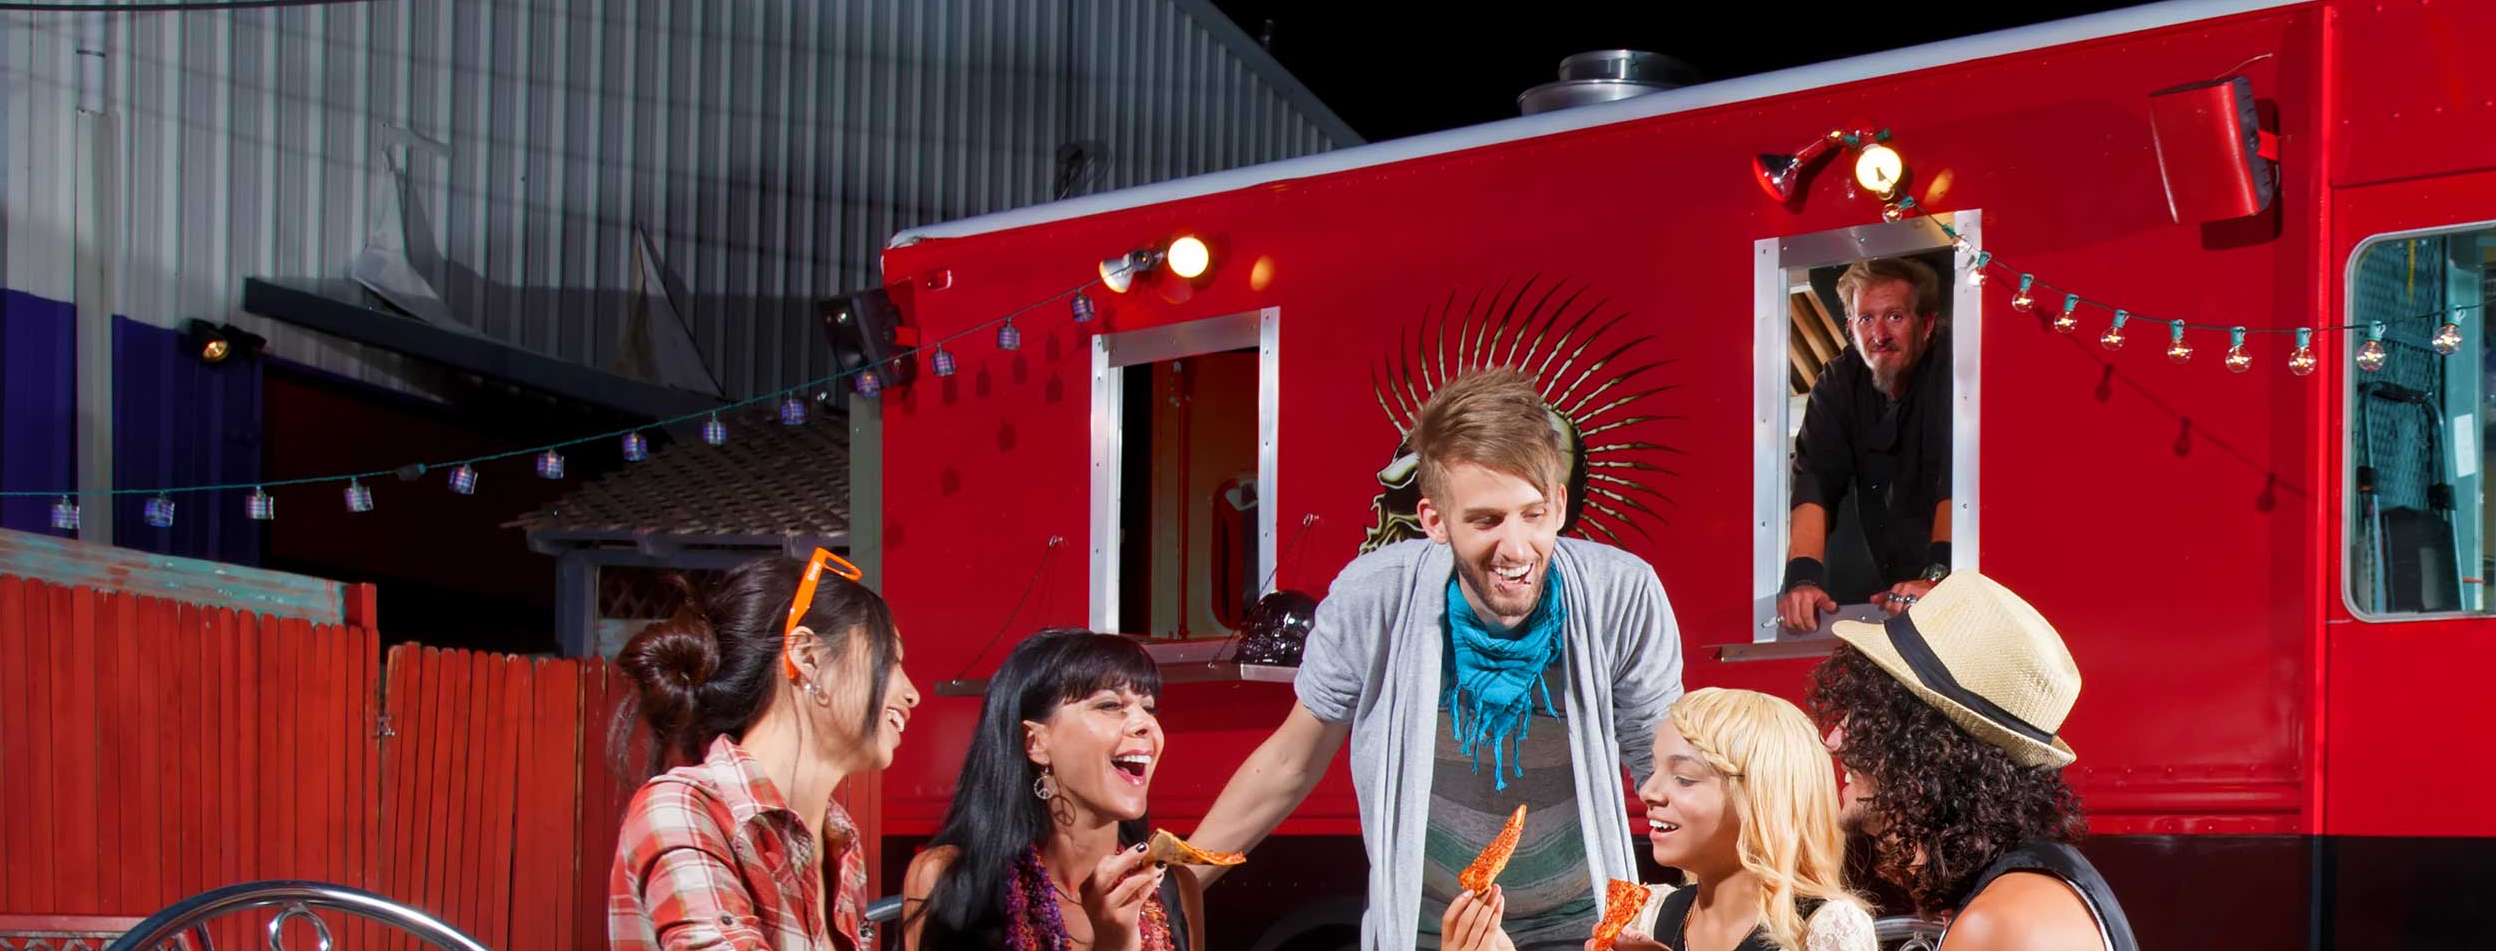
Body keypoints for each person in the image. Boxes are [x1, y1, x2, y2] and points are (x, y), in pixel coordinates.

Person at [1187, 368, 1688, 950]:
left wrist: (1734, 912)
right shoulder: (1375, 597)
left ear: (1557, 504)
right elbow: (1291, 764)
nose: (1516, 548)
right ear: (1434, 521)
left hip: (1584, 923)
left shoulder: (1621, 594)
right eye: (1485, 520)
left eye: (1532, 514)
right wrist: (1177, 886)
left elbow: (1669, 768)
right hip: (1427, 928)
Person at [609, 550, 922, 951]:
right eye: (890, 660)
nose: (911, 693)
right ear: (807, 657)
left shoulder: (839, 841)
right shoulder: (684, 808)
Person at [1806, 573, 2136, 951]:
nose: (1833, 740)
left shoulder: (2002, 923)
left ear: (1930, 750)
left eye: (1868, 719)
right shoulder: (2028, 891)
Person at [1470, 688, 1874, 951]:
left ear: (1760, 800)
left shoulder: (1826, 930)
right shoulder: (1649, 911)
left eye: (1682, 778)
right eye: (1655, 770)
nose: (1648, 792)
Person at [901, 631, 1197, 951]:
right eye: (1111, 705)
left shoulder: (1174, 888)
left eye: (1149, 707)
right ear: (1035, 742)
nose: (1146, 725)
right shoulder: (950, 878)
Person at [1777, 256, 1953, 635]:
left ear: (1925, 324)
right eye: (1866, 319)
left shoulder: (1954, 367)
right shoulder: (1838, 382)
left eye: (1894, 317)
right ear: (1849, 327)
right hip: (1895, 577)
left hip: (1968, 574)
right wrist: (1802, 582)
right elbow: (1815, 483)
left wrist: (1941, 578)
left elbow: (1955, 477)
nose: (1879, 334)